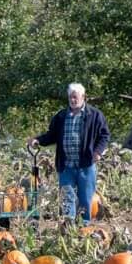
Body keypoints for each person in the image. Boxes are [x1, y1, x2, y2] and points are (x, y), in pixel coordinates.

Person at [29, 83, 111, 225]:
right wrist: (38, 140)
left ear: (83, 97)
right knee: (67, 198)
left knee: (85, 197)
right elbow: (51, 135)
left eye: (75, 97)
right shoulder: (61, 116)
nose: (72, 100)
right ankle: (69, 227)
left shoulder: (95, 115)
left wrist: (98, 152)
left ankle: (84, 228)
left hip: (85, 164)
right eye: (70, 97)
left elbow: (104, 136)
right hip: (66, 165)